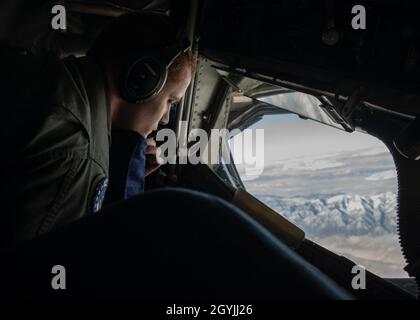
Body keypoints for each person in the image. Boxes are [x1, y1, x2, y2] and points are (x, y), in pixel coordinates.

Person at [0, 13, 196, 248]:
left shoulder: (50, 76)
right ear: (142, 79)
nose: (165, 119)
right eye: (170, 102)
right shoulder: (78, 152)